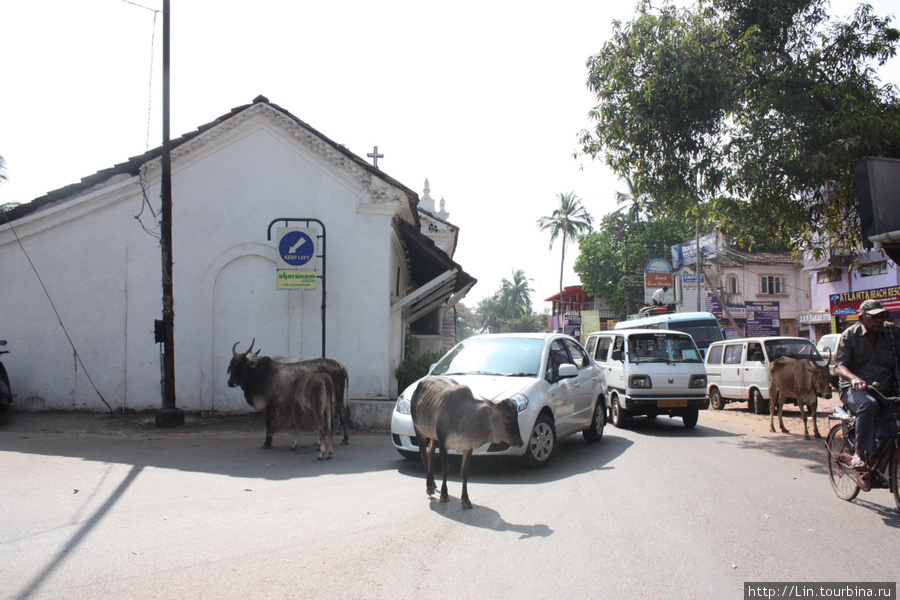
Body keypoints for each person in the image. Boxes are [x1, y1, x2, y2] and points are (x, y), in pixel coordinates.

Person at [833, 299, 900, 469]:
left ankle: (878, 471)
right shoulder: (850, 335)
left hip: (885, 390)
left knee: (891, 430)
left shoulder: (892, 333)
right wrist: (854, 379)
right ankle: (859, 453)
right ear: (862, 318)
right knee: (868, 405)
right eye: (874, 317)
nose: (879, 320)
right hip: (855, 390)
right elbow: (839, 367)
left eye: (882, 316)